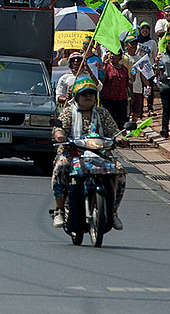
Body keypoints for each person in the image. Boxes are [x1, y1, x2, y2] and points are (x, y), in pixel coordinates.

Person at [51, 78, 127, 230]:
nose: (88, 96)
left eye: (91, 93)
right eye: (84, 93)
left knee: (120, 172)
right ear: (76, 96)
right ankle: (59, 210)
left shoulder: (102, 113)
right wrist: (59, 134)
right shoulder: (68, 113)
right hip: (73, 154)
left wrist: (119, 138)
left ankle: (113, 212)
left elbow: (113, 131)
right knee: (61, 167)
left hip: (101, 155)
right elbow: (59, 129)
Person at [101, 49, 130, 129]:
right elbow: (102, 81)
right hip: (108, 99)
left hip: (121, 99)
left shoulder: (124, 69)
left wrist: (131, 96)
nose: (112, 56)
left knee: (121, 121)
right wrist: (104, 68)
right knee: (110, 121)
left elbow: (127, 83)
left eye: (115, 54)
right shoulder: (107, 67)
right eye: (111, 54)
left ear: (120, 57)